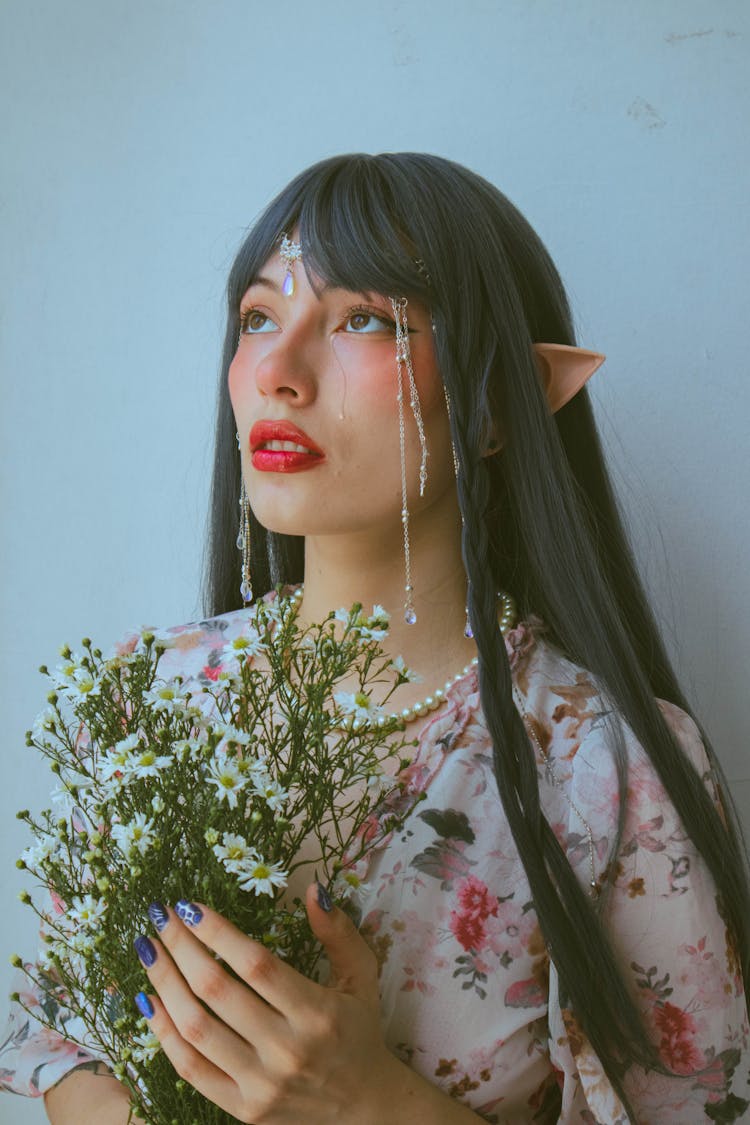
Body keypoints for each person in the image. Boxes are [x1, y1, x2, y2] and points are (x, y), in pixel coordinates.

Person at [2, 152, 748, 1123]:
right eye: (259, 317)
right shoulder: (146, 693)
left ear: (497, 403)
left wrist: (370, 1102)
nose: (276, 371)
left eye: (365, 320)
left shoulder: (609, 768)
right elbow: (61, 1044)